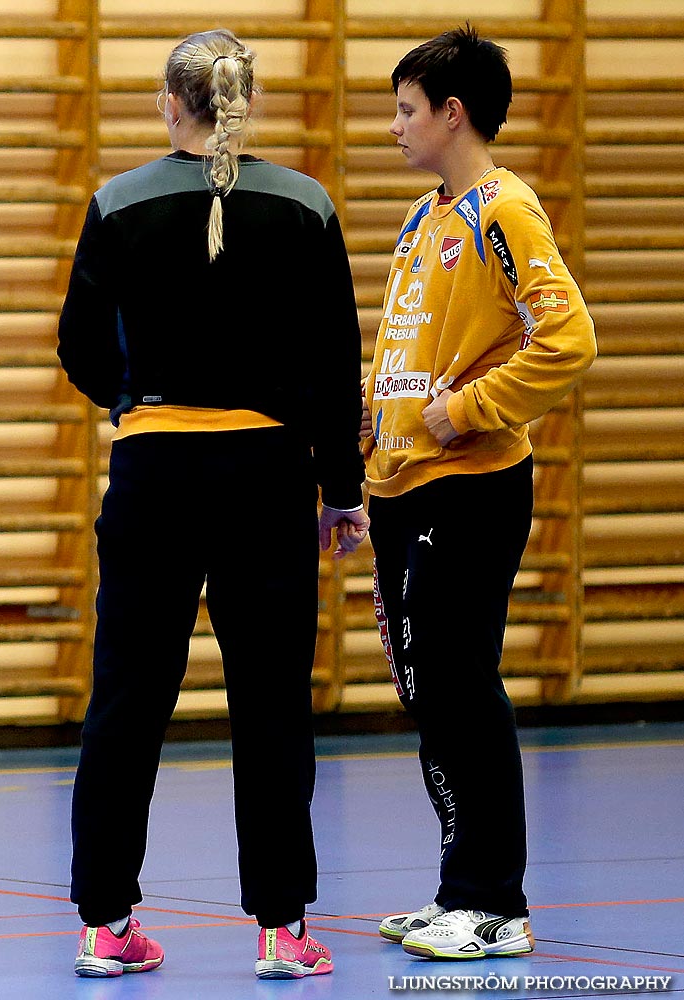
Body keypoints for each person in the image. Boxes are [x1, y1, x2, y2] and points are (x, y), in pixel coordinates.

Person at [57, 28, 368, 982]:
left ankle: (104, 925)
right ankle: (281, 930)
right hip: (265, 476)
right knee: (272, 705)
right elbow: (331, 362)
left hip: (155, 473)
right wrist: (341, 490)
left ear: (168, 104)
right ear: (250, 102)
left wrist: (138, 398)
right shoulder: (305, 205)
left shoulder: (116, 204)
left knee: (127, 700)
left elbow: (78, 348)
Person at [364, 26, 596, 959]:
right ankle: (458, 888)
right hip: (401, 486)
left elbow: (567, 338)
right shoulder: (427, 219)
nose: (394, 128)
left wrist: (474, 408)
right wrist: (364, 459)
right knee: (430, 692)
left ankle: (495, 902)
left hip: (469, 486)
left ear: (451, 113)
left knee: (463, 686)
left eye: (405, 110)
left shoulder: (507, 212)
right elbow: (402, 354)